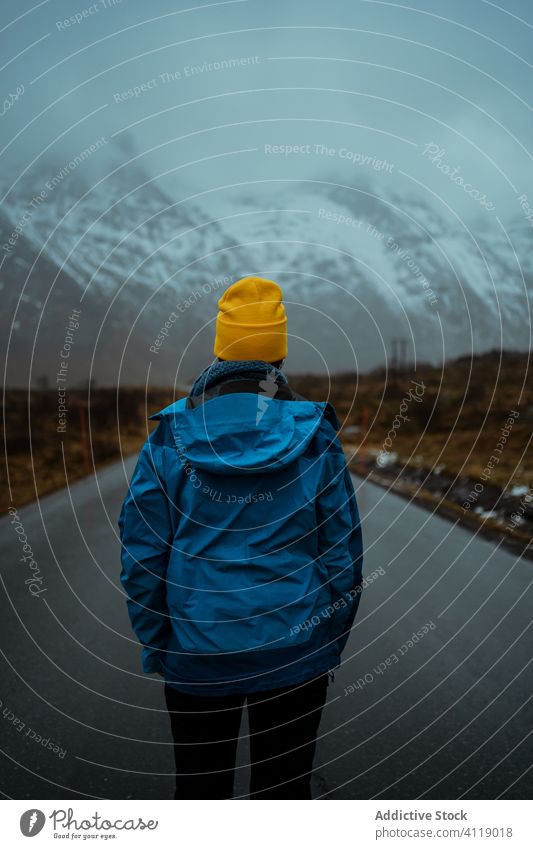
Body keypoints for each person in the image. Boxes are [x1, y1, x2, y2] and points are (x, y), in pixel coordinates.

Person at [119, 276, 364, 799]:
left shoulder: (169, 437)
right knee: (284, 795)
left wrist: (159, 643)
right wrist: (328, 639)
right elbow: (342, 553)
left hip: (196, 653)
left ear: (221, 348)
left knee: (201, 796)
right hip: (297, 648)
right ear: (278, 353)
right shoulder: (315, 436)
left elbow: (142, 557)